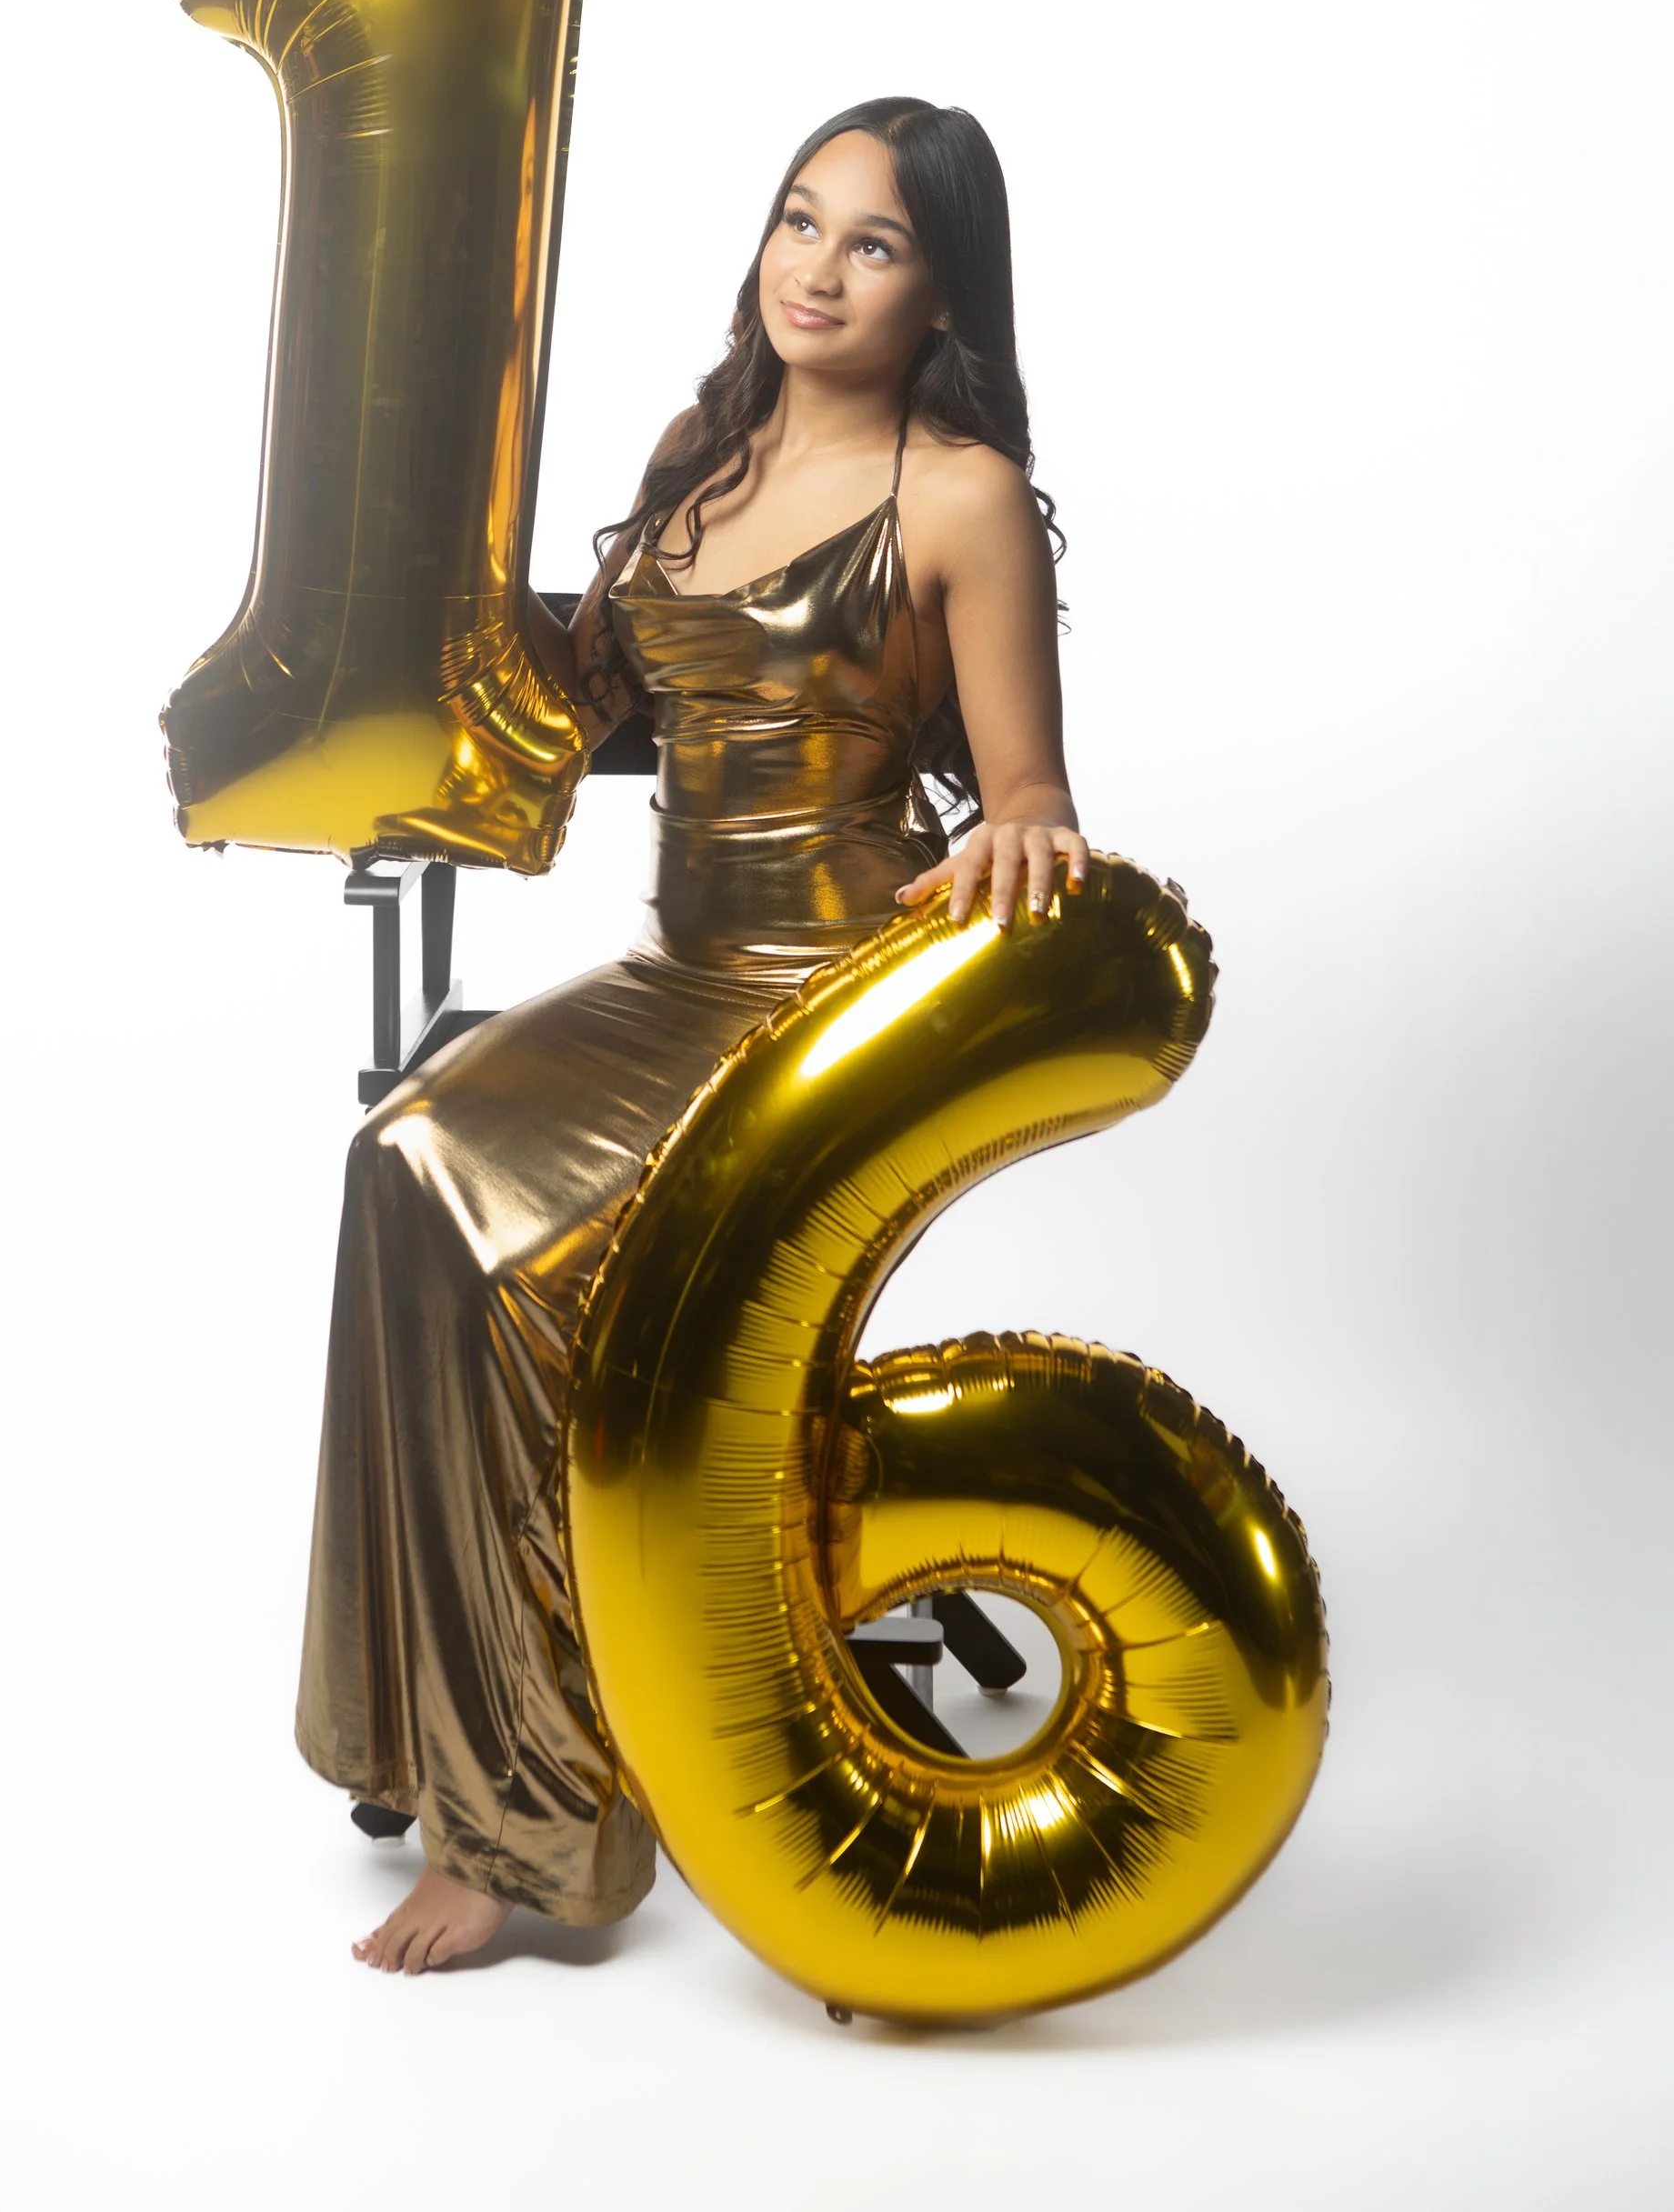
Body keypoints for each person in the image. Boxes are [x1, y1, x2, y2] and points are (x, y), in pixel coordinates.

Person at [296, 96, 1088, 1975]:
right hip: (674, 969)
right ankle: (417, 1722)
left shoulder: (952, 490)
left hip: (820, 980)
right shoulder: (704, 445)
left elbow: (1028, 777)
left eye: (870, 242)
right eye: (794, 221)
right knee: (401, 1153)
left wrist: (1022, 819)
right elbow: (599, 702)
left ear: (941, 285)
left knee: (512, 1261)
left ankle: (531, 1827)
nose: (813, 268)